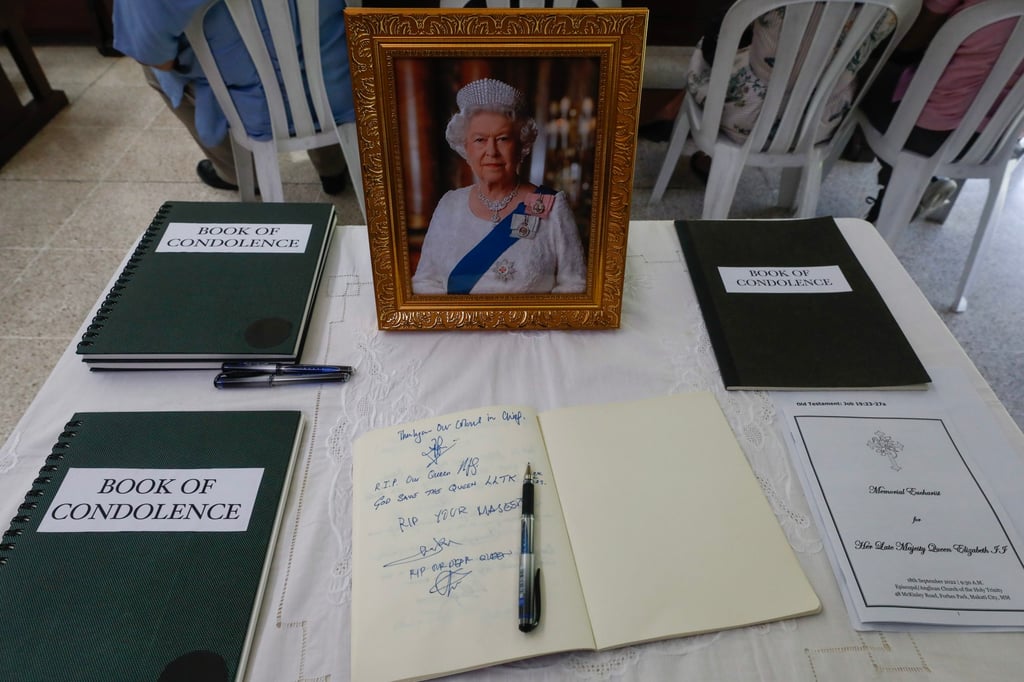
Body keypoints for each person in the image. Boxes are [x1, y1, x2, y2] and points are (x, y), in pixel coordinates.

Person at [112, 0, 354, 194]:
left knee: (155, 71)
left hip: (249, 105)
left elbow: (156, 57)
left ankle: (237, 174)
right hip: (341, 85)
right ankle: (333, 165)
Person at [639, 6, 896, 182]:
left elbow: (717, 43)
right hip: (820, 124)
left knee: (719, 45)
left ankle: (676, 114)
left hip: (743, 118)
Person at [411, 78, 587, 295]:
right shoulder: (449, 205)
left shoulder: (551, 205)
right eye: (480, 140)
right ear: (466, 148)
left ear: (521, 145)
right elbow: (424, 283)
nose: (491, 151)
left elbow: (574, 286)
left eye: (503, 139)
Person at [860, 0, 1024, 222]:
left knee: (859, 70)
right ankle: (908, 193)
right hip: (995, 142)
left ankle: (809, 167)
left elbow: (911, 39)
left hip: (921, 129)